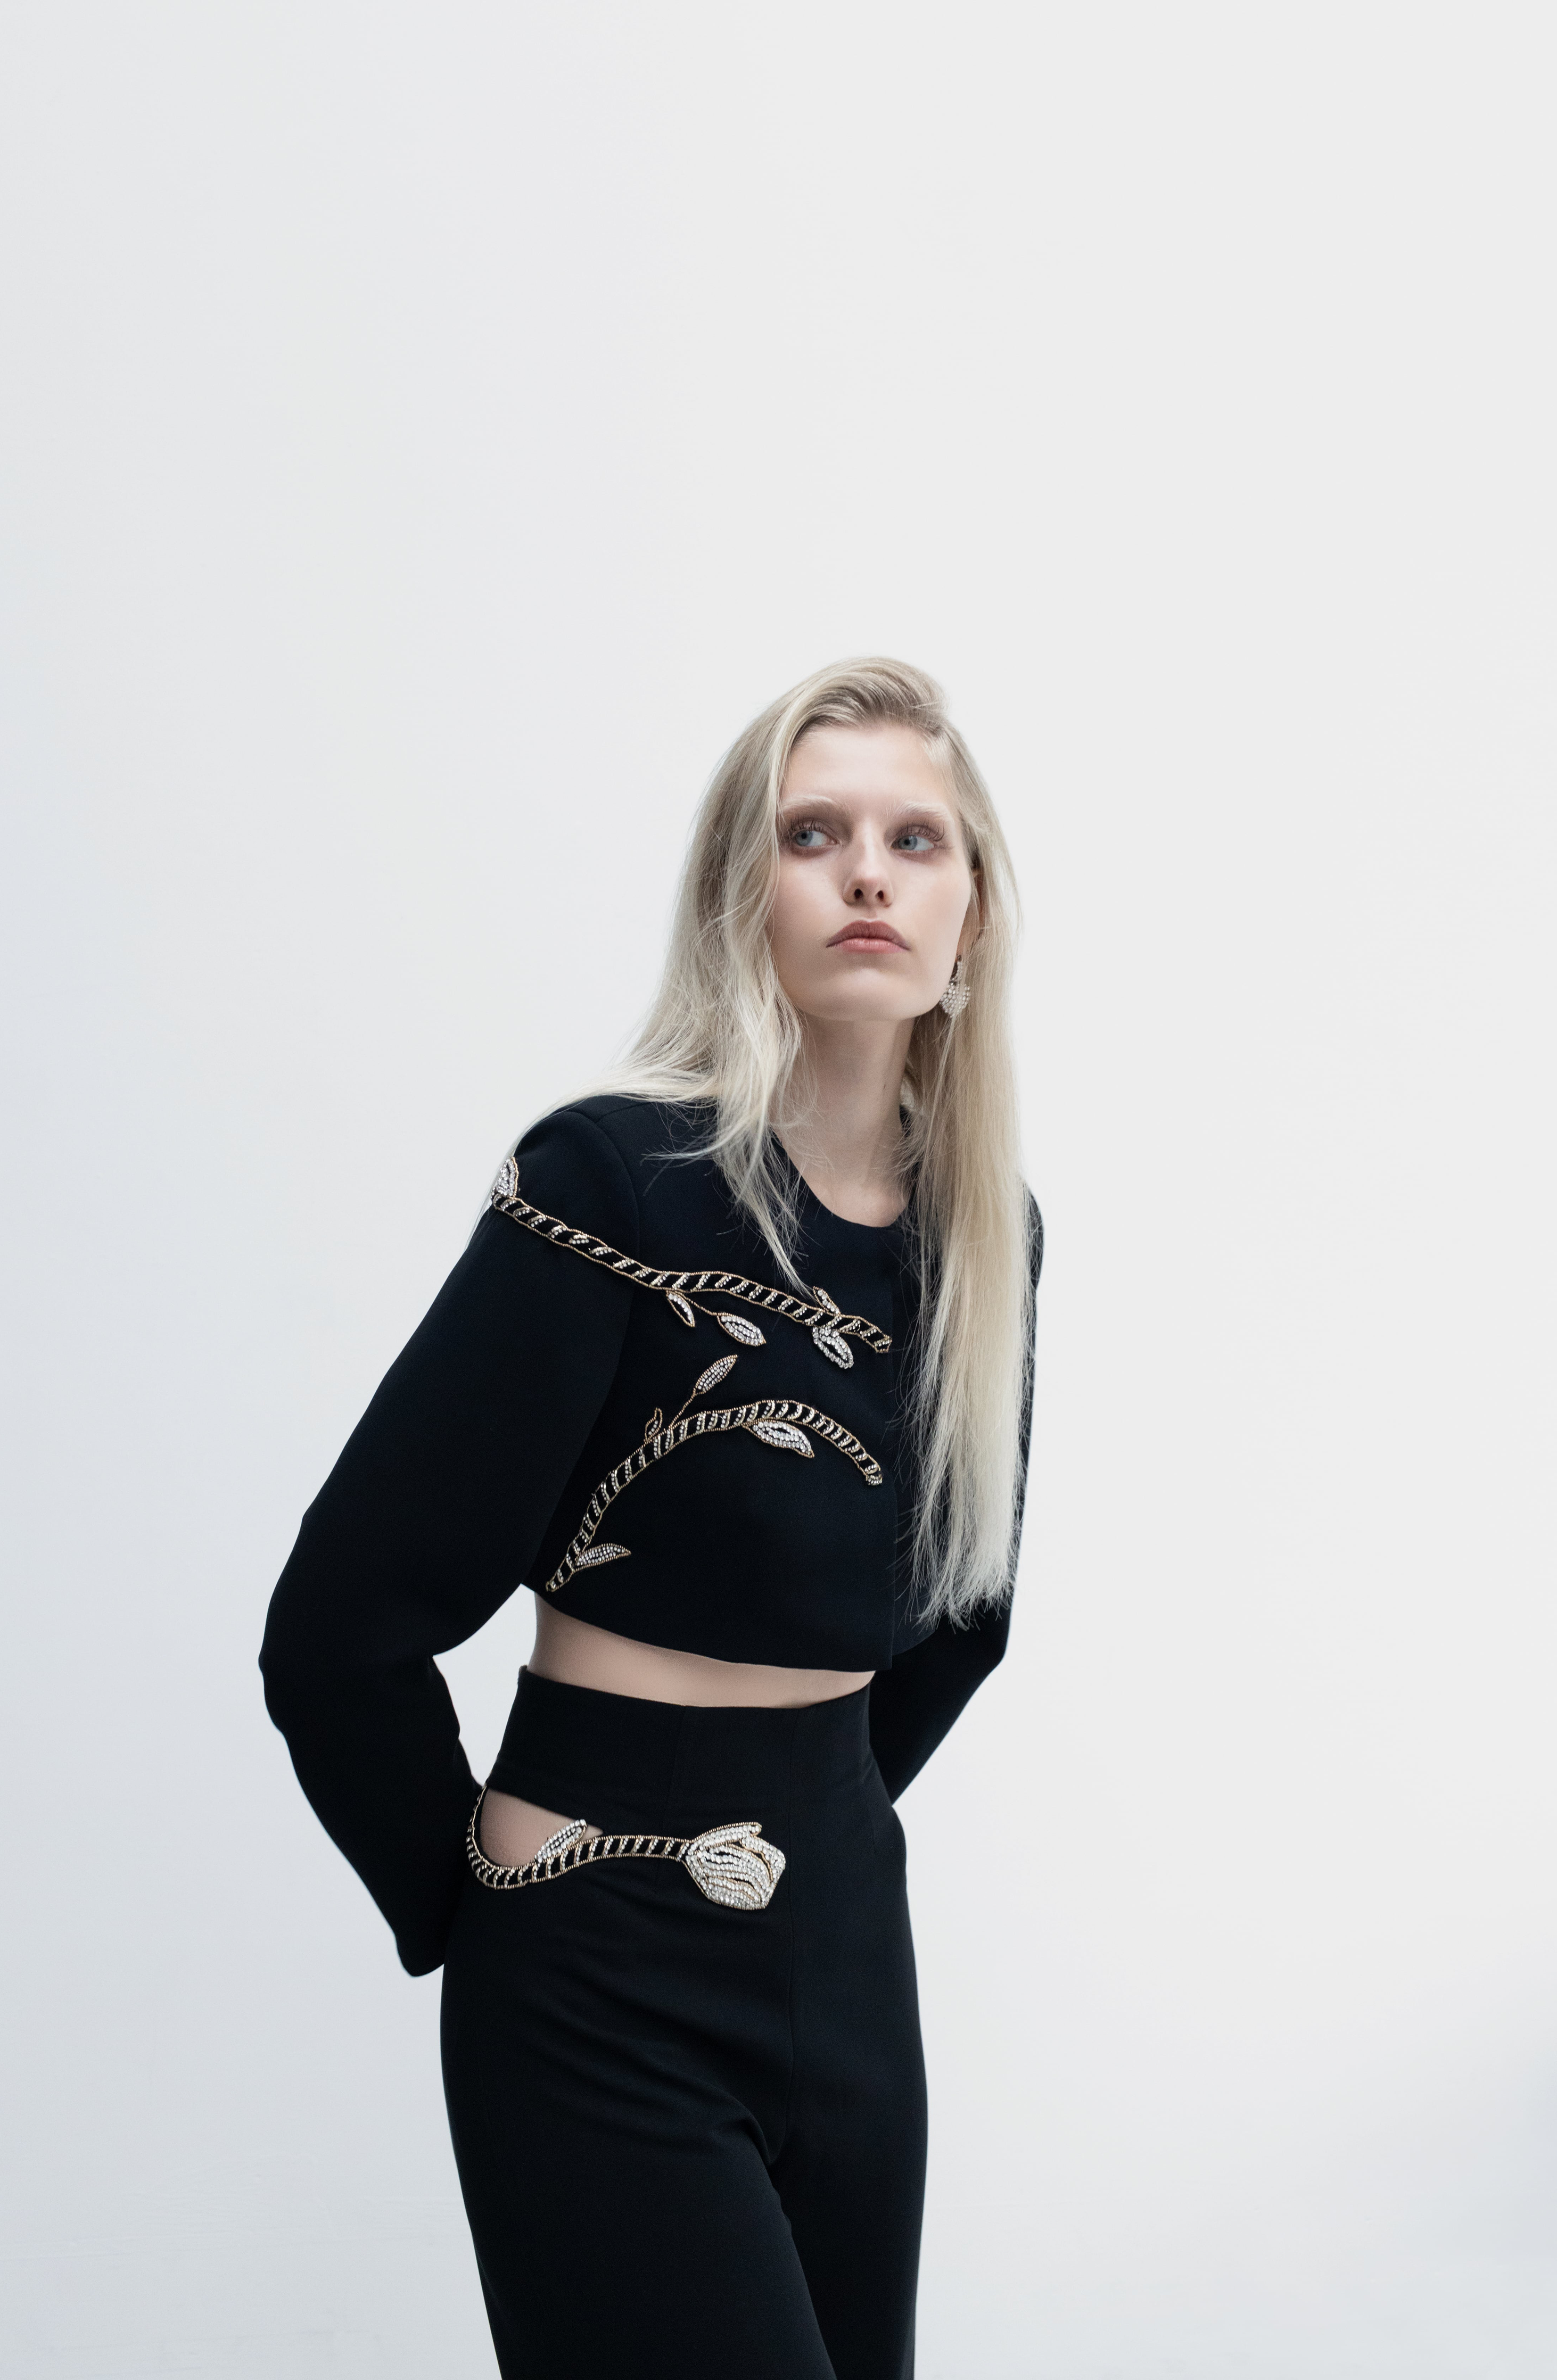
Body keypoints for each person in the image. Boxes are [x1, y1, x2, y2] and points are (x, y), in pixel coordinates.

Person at [260, 657, 1043, 2380]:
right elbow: (339, 1630)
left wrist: (808, 1824)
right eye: (811, 834)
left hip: (845, 1956)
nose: (866, 873)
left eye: (914, 839)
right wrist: (486, 1907)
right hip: (593, 1954)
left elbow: (961, 1616)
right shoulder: (613, 1188)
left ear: (971, 913)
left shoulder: (986, 1232)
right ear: (735, 897)